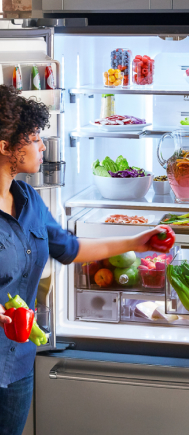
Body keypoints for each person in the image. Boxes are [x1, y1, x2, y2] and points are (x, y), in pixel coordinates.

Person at [0, 85, 165, 435]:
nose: (42, 146)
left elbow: (71, 249)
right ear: (4, 147)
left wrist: (139, 240)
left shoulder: (27, 198)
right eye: (33, 138)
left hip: (17, 365)